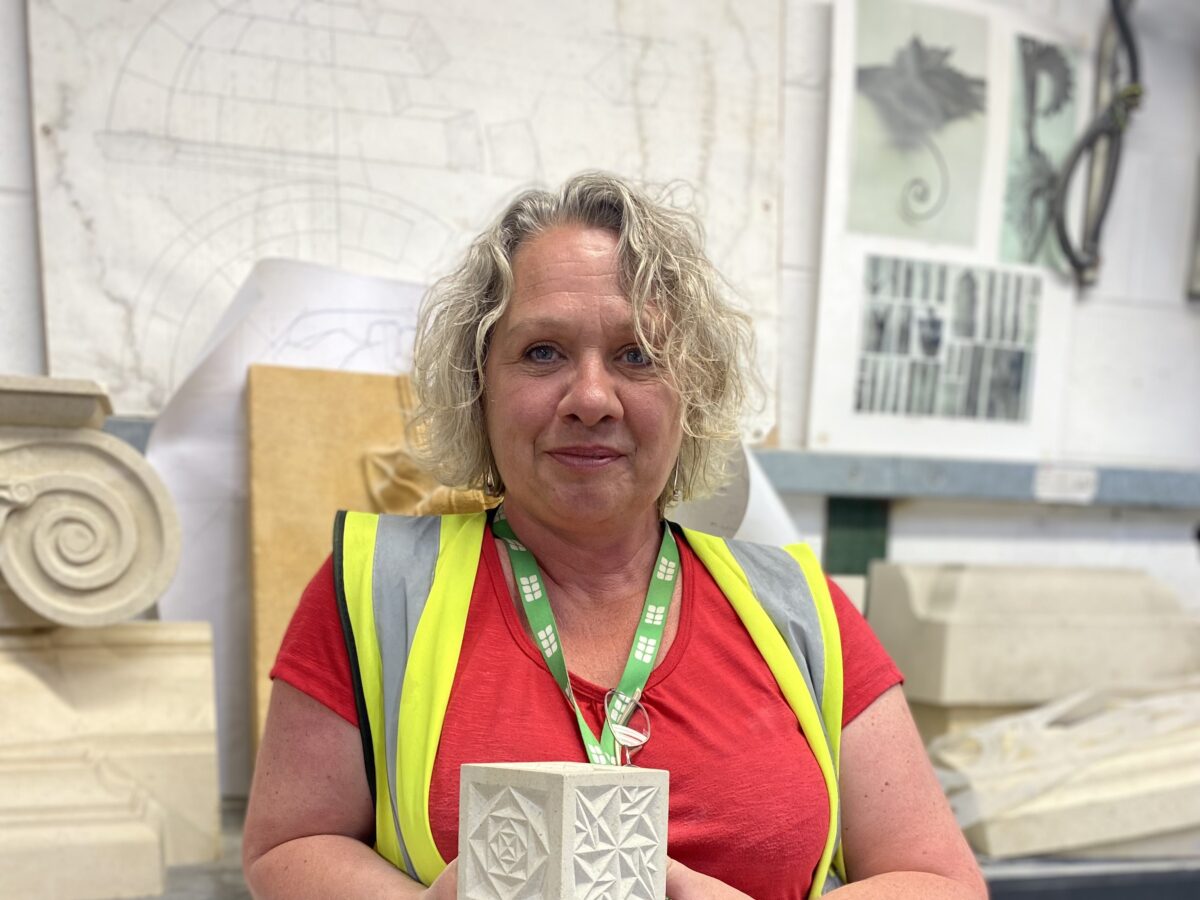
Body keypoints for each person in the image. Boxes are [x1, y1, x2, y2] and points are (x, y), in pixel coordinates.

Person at [242, 172, 986, 899]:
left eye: (636, 356)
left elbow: (942, 883)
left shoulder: (799, 610)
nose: (591, 398)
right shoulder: (376, 589)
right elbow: (289, 847)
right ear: (480, 384)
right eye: (543, 352)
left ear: (692, 390)